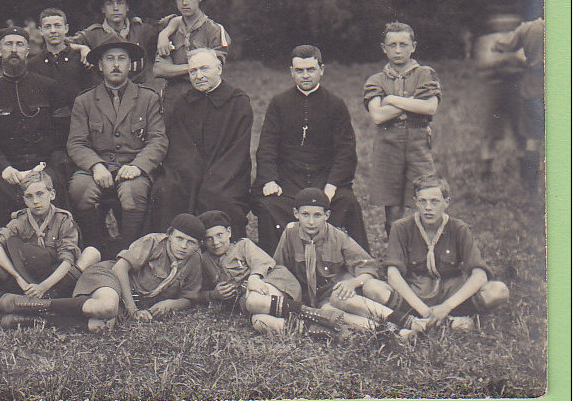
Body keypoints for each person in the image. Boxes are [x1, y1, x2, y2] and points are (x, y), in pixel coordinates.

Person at [0, 213, 204, 332]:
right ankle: (32, 304)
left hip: (129, 300)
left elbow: (189, 297)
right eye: (179, 239)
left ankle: (25, 320)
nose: (183, 246)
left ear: (198, 246)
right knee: (107, 306)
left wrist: (171, 303)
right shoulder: (155, 242)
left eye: (191, 243)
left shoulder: (194, 260)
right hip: (109, 278)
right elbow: (120, 267)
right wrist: (131, 309)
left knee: (99, 326)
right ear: (169, 235)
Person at [255, 44, 369, 255]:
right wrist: (270, 179)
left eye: (311, 70)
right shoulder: (278, 103)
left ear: (321, 70)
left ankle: (361, 267)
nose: (305, 76)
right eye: (299, 71)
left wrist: (332, 185)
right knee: (268, 206)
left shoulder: (335, 105)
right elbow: (267, 146)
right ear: (291, 72)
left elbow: (346, 150)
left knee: (348, 202)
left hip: (324, 179)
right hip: (288, 180)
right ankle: (274, 268)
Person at [67, 41, 168, 256]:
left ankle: (127, 251)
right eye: (109, 59)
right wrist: (95, 166)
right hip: (97, 165)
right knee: (80, 189)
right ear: (100, 66)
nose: (116, 65)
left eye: (121, 59)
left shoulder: (148, 98)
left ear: (131, 65)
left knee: (133, 193)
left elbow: (158, 140)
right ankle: (96, 248)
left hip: (132, 165)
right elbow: (76, 142)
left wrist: (139, 167)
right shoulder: (84, 101)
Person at [274, 188, 417, 337]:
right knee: (331, 313)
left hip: (343, 293)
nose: (311, 222)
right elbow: (280, 268)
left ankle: (405, 320)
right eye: (305, 215)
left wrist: (352, 284)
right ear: (296, 214)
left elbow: (368, 267)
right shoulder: (290, 233)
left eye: (317, 215)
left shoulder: (337, 236)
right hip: (319, 301)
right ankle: (394, 332)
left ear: (327, 215)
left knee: (342, 298)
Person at [0, 27, 71, 230]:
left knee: (55, 181)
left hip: (42, 164)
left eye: (19, 45)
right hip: (6, 168)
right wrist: (5, 168)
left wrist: (42, 165)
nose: (14, 50)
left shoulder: (48, 87)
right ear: (0, 51)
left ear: (28, 51)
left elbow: (62, 132)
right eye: (8, 45)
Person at [383, 175, 510, 332]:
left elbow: (480, 275)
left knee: (499, 290)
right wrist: (424, 310)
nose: (428, 207)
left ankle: (440, 320)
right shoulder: (401, 228)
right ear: (415, 202)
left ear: (446, 202)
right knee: (373, 289)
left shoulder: (458, 228)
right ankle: (447, 323)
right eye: (422, 201)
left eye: (435, 201)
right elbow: (393, 275)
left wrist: (447, 306)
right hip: (415, 297)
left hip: (450, 296)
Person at [152, 49, 252, 237]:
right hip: (188, 171)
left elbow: (237, 151)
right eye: (193, 71)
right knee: (167, 191)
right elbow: (180, 146)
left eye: (204, 69)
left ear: (219, 69)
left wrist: (211, 178)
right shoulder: (183, 103)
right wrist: (193, 173)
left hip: (226, 174)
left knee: (217, 196)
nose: (199, 76)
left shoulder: (238, 102)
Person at [196, 210, 343, 335]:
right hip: (253, 303)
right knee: (259, 322)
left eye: (219, 235)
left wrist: (254, 277)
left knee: (253, 300)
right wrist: (214, 294)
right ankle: (317, 329)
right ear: (203, 242)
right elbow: (197, 292)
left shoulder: (243, 245)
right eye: (209, 239)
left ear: (228, 232)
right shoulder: (204, 260)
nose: (215, 242)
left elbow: (264, 262)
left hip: (275, 283)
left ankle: (312, 313)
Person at [0, 171, 102, 327]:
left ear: (52, 194)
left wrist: (44, 287)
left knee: (92, 253)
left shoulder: (63, 220)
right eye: (29, 196)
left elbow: (68, 260)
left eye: (40, 194)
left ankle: (39, 302)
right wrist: (18, 278)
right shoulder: (20, 220)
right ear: (24, 200)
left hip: (57, 277)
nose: (36, 201)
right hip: (27, 280)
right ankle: (38, 301)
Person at [363, 22, 442, 235]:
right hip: (388, 143)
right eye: (392, 45)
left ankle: (426, 252)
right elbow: (378, 116)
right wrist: (412, 101)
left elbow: (430, 107)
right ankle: (395, 256)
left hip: (418, 143)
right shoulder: (375, 80)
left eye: (404, 45)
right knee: (393, 204)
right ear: (384, 48)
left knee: (427, 195)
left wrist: (391, 99)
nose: (398, 50)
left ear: (413, 46)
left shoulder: (425, 74)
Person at [153, 0, 231, 121]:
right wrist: (197, 67)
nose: (184, 2)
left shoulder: (214, 30)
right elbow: (159, 69)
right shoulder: (169, 30)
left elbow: (214, 70)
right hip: (174, 99)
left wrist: (178, 69)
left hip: (204, 99)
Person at [28, 8, 94, 149]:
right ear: (41, 31)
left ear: (66, 28)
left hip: (81, 128)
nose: (53, 31)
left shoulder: (81, 59)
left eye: (57, 26)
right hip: (48, 132)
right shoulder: (33, 64)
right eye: (48, 27)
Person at [473, 11, 526, 181]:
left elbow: (527, 59)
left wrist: (507, 58)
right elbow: (483, 62)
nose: (504, 21)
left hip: (518, 87)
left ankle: (525, 172)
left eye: (508, 17)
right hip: (494, 87)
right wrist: (504, 60)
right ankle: (486, 172)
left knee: (521, 130)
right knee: (491, 130)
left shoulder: (522, 37)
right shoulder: (485, 40)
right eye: (499, 17)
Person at [70, 0, 159, 83]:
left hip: (138, 94)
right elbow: (62, 43)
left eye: (120, 3)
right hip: (103, 95)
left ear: (127, 7)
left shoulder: (142, 30)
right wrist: (82, 47)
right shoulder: (92, 35)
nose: (115, 8)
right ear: (103, 8)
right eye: (110, 3)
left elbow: (168, 23)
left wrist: (165, 34)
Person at [493, 17, 545, 192]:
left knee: (533, 139)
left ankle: (531, 190)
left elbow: (506, 46)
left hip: (533, 86)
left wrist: (496, 44)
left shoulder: (528, 28)